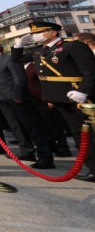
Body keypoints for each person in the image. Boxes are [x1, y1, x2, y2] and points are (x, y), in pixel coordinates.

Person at [12, 21, 95, 182]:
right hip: (59, 98)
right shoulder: (39, 51)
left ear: (53, 33)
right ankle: (92, 167)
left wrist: (83, 92)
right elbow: (17, 60)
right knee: (79, 133)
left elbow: (91, 72)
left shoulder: (72, 46)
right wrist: (18, 45)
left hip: (80, 96)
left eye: (40, 32)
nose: (35, 36)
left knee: (90, 132)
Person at [0, 40, 55, 169]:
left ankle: (45, 156)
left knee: (31, 127)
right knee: (15, 126)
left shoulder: (9, 59)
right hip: (2, 99)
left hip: (16, 98)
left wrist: (18, 96)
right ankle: (26, 151)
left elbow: (19, 78)